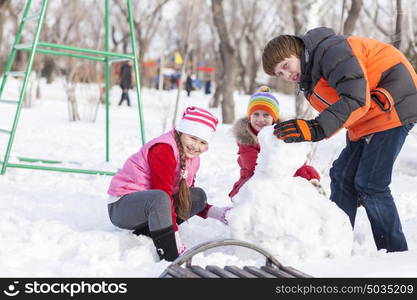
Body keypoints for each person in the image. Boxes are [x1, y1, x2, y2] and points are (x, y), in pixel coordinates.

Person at [262, 27, 417, 252]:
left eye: (286, 66)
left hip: (393, 106)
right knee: (342, 176)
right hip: (368, 117)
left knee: (371, 184)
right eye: (280, 74)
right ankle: (337, 245)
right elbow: (344, 109)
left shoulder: (331, 51)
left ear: (297, 50)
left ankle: (394, 253)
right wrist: (312, 128)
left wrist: (315, 128)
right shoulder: (310, 76)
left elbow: (355, 98)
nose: (287, 76)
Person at [107, 106, 230, 261]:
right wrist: (175, 239)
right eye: (192, 138)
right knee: (160, 198)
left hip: (150, 205)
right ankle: (170, 254)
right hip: (122, 207)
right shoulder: (164, 149)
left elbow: (184, 195)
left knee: (197, 196)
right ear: (181, 131)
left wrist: (218, 213)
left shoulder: (192, 157)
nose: (196, 146)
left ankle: (152, 231)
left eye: (202, 142)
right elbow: (162, 195)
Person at [229, 86, 321, 199]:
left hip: (280, 177)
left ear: (274, 119)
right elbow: (255, 166)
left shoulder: (282, 136)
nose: (260, 119)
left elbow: (294, 160)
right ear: (249, 117)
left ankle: (312, 189)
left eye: (266, 115)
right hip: (253, 181)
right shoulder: (246, 141)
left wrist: (307, 176)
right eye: (256, 114)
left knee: (301, 175)